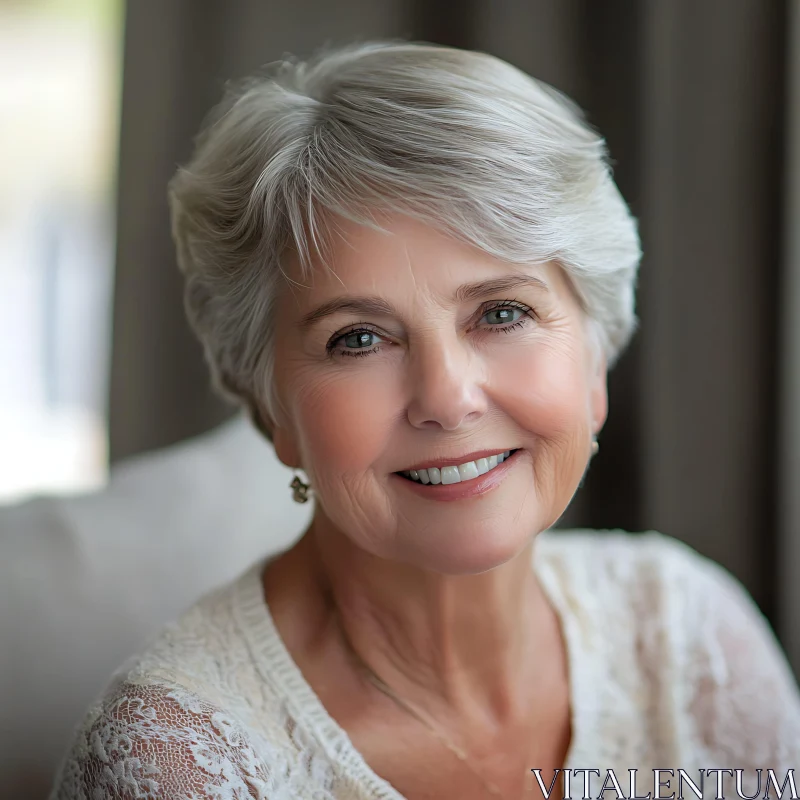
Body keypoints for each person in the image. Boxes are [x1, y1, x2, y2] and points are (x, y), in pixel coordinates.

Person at [50, 41, 800, 800]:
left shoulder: (690, 639)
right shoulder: (171, 765)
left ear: (596, 360)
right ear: (270, 405)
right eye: (359, 338)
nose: (447, 397)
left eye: (502, 313)